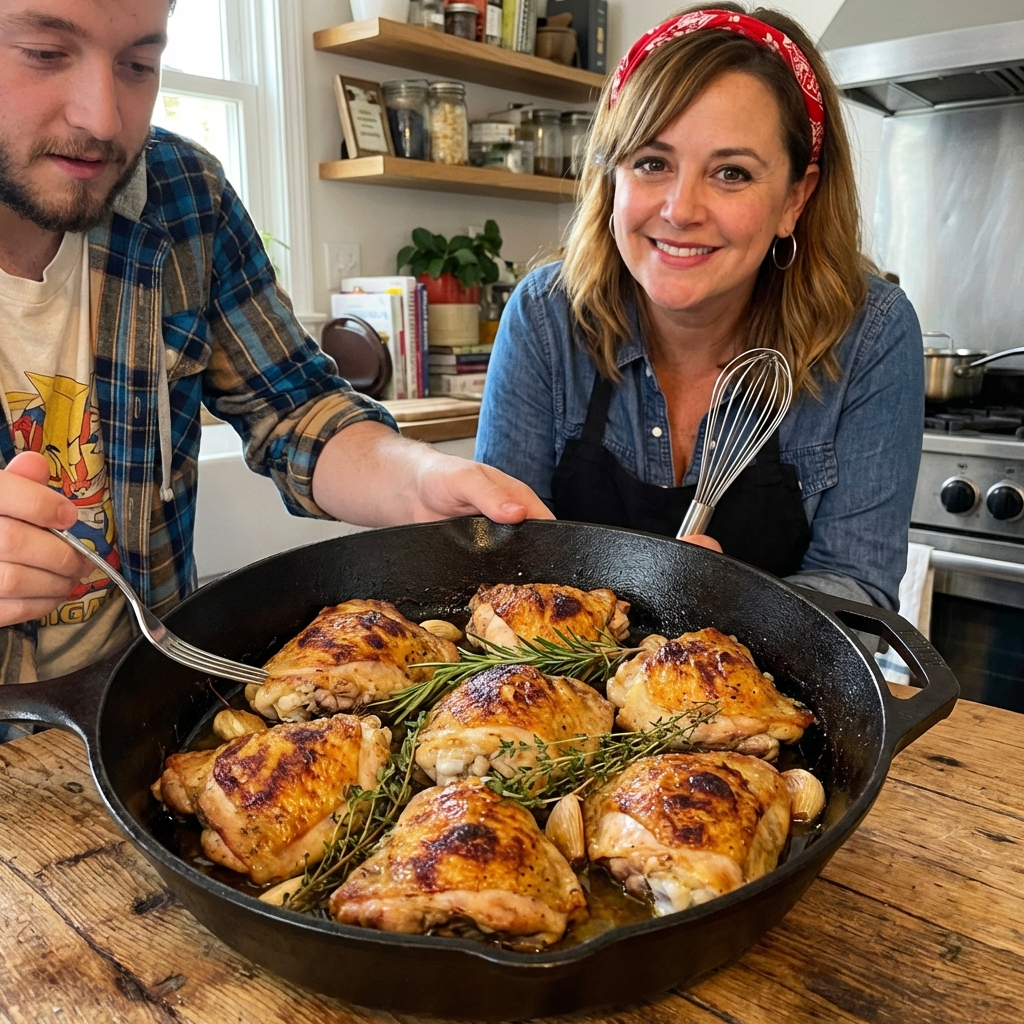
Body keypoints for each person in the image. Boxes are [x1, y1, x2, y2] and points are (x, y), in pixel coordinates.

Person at [0, 0, 550, 687]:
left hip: (148, 703)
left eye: (139, 63)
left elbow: (295, 411)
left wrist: (420, 479)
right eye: (46, 54)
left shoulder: (183, 195)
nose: (104, 118)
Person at [476, 3, 924, 611]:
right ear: (614, 179)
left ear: (797, 196)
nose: (681, 209)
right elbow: (504, 563)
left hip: (766, 701)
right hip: (553, 694)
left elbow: (858, 596)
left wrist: (728, 609)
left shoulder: (870, 332)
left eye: (732, 173)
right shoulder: (546, 316)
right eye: (652, 163)